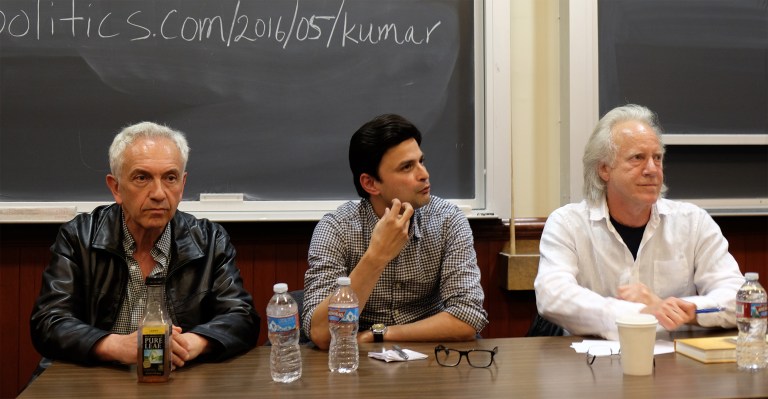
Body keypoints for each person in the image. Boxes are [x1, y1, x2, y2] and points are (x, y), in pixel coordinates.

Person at [30, 122, 260, 368]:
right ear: (116, 187)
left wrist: (194, 343)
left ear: (182, 186)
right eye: (142, 178)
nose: (159, 193)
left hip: (179, 379)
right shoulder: (79, 236)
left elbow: (241, 316)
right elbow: (48, 322)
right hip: (98, 378)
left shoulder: (209, 240)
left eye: (170, 178)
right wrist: (114, 346)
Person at [534, 104, 744, 340]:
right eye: (638, 158)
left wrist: (687, 309)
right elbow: (552, 296)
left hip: (677, 366)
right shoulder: (567, 224)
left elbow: (740, 298)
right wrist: (641, 313)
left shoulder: (693, 222)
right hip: (590, 365)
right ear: (604, 169)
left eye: (657, 158)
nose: (652, 169)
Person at [301, 114, 488, 349]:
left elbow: (468, 317)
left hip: (430, 353)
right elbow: (321, 334)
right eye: (407, 167)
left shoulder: (448, 219)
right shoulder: (335, 228)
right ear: (370, 183)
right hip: (354, 358)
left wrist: (379, 334)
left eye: (421, 161)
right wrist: (376, 257)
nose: (424, 174)